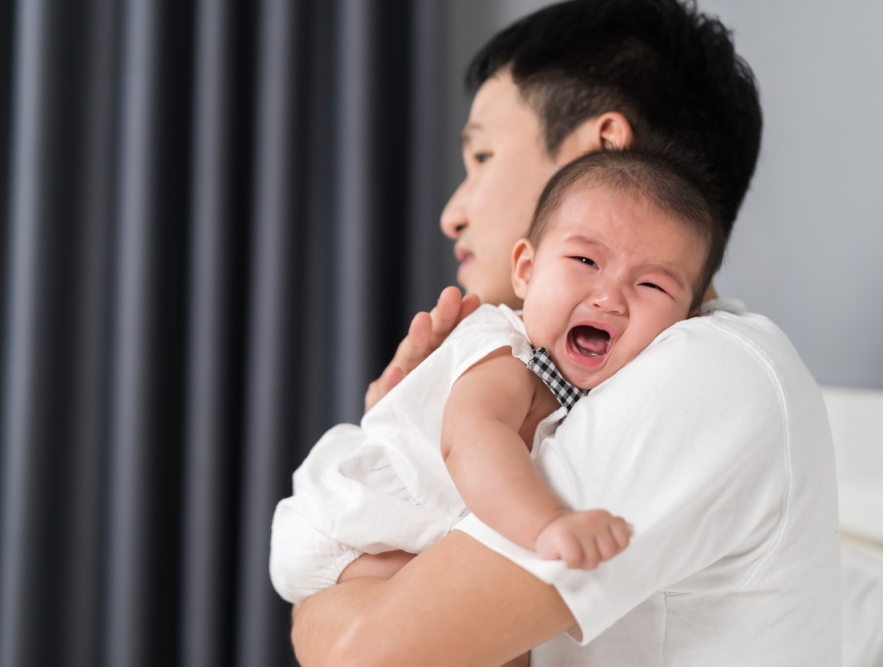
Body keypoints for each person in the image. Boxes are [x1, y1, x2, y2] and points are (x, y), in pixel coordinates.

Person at [292, 1, 841, 665]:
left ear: (603, 145)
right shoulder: (592, 382)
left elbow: (364, 655)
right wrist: (406, 453)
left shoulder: (707, 374)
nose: (451, 213)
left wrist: (326, 572)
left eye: (484, 154)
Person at [271, 148, 725, 604]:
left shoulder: (637, 387)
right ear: (526, 271)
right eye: (586, 262)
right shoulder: (505, 350)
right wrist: (548, 524)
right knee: (446, 611)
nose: (610, 298)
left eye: (652, 285)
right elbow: (472, 437)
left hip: (400, 529)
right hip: (348, 523)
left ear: (686, 321)